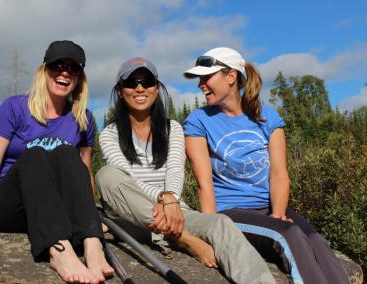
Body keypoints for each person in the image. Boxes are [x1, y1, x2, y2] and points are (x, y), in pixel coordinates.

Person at [0, 40, 114, 284]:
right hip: (7, 207)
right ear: (44, 70)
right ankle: (59, 250)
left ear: (79, 78)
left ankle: (92, 244)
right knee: (35, 153)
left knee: (66, 152)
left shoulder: (82, 117)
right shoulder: (14, 108)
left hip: (52, 208)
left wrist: (91, 221)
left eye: (72, 68)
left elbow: (83, 170)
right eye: (57, 66)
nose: (64, 72)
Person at [96, 57, 275, 283]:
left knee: (220, 223)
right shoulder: (110, 134)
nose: (140, 88)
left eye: (147, 81)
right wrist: (163, 198)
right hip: (131, 217)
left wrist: (171, 199)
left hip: (175, 213)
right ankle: (183, 239)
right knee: (107, 175)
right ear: (121, 91)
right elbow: (124, 176)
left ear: (156, 88)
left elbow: (175, 169)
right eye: (131, 82)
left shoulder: (174, 128)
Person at [183, 47, 351, 284]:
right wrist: (211, 230)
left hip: (268, 208)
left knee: (316, 241)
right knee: (288, 235)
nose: (201, 84)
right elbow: (204, 182)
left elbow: (279, 173)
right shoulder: (197, 122)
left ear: (231, 76)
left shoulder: (267, 118)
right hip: (230, 213)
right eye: (199, 79)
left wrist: (278, 213)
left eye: (206, 77)